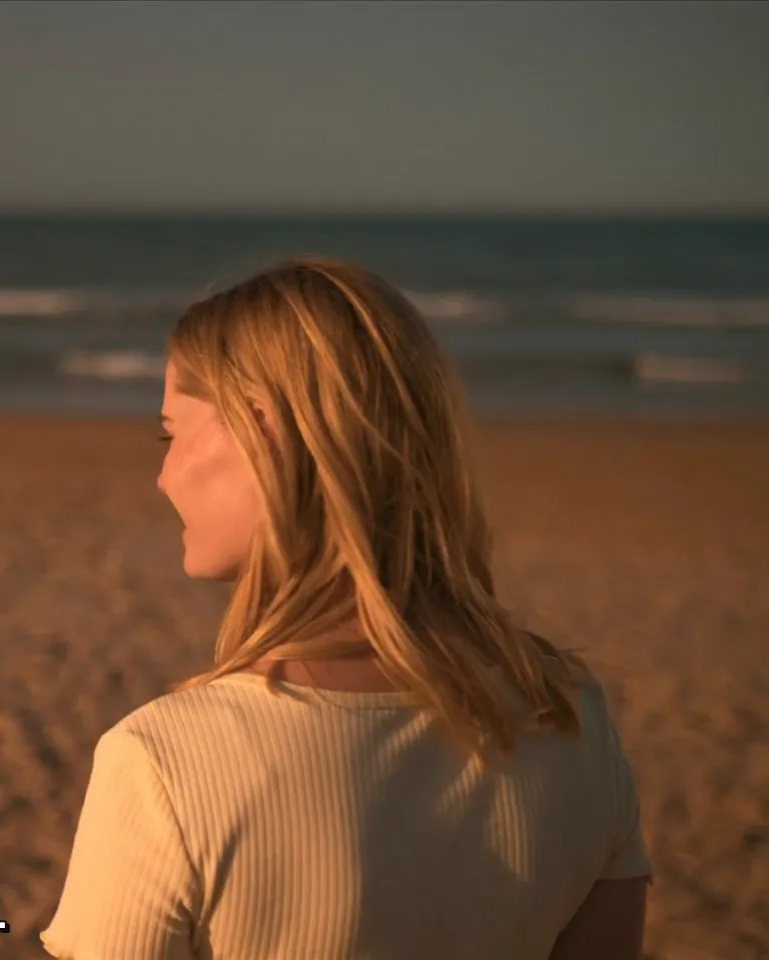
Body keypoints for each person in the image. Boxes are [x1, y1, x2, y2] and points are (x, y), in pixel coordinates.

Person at [40, 257, 650, 959]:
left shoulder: (164, 766)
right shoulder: (571, 718)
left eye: (171, 433)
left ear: (264, 432)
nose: (162, 474)